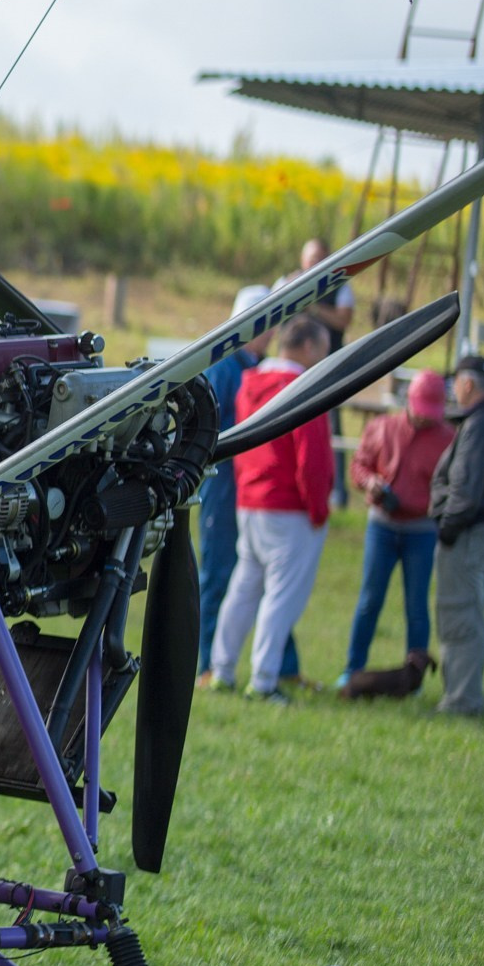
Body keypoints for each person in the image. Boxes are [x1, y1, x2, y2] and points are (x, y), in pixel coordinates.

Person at [208, 315, 333, 705]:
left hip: (251, 499)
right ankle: (263, 679)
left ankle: (221, 668)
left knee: (244, 589)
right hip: (288, 506)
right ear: (309, 347)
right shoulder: (302, 386)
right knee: (280, 596)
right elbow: (312, 460)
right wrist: (318, 509)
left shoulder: (252, 381)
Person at [196, 285, 301, 692]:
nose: (272, 333)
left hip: (251, 485)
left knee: (267, 579)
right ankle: (209, 663)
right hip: (223, 485)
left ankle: (284, 666)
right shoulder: (222, 370)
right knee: (221, 575)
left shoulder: (257, 367)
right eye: (265, 325)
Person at [338, 370, 455, 693]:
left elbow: (451, 487)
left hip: (421, 529)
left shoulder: (449, 439)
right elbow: (359, 465)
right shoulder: (383, 427)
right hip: (382, 525)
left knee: (417, 606)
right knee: (369, 600)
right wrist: (370, 482)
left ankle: (414, 677)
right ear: (409, 403)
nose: (423, 419)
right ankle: (352, 671)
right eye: (420, 410)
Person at [429, 354, 484, 717]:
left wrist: (447, 530)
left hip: (466, 534)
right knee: (468, 615)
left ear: (466, 384)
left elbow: (464, 490)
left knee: (459, 617)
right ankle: (462, 696)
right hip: (479, 531)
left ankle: (461, 702)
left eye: (456, 384)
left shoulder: (478, 426)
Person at [299, 238, 355, 507]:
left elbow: (344, 319)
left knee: (331, 429)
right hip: (294, 373)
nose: (315, 265)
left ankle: (337, 491)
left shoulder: (340, 286)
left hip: (329, 369)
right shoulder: (289, 283)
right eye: (312, 259)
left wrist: (314, 307)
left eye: (321, 259)